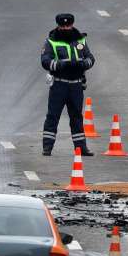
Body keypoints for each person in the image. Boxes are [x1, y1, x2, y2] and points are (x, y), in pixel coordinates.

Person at [40, 13, 95, 157]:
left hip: (76, 85)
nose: (66, 28)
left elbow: (91, 58)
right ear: (58, 25)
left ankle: (81, 148)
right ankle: (47, 147)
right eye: (63, 26)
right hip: (59, 85)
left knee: (77, 117)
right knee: (53, 116)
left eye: (68, 25)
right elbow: (45, 61)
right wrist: (61, 65)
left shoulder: (80, 39)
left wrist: (82, 64)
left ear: (72, 24)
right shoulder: (51, 41)